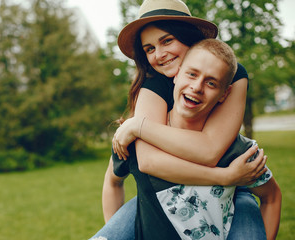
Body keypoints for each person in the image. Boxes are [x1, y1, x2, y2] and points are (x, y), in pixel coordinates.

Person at [90, 0, 280, 239]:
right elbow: (147, 163)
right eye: (149, 48)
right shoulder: (153, 86)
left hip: (231, 187)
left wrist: (138, 126)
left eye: (167, 40)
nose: (159, 54)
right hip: (160, 195)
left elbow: (211, 150)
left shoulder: (230, 75)